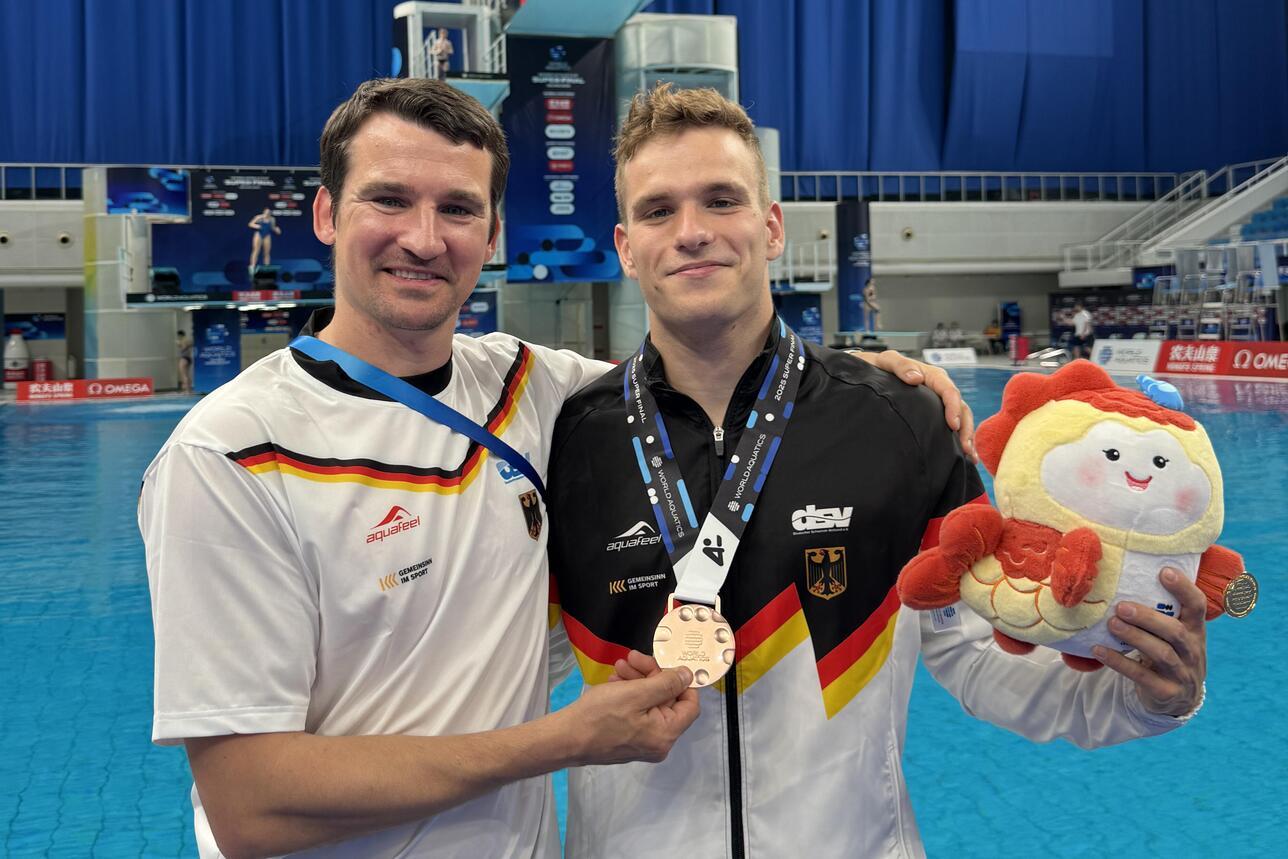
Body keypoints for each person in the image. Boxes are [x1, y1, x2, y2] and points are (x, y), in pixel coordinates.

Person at [138, 77, 966, 859]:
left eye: (458, 208)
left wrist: (877, 383)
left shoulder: (533, 392)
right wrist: (563, 741)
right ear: (324, 212)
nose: (424, 238)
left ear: (493, 236)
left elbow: (696, 375)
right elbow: (249, 803)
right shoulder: (231, 454)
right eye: (388, 199)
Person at [545, 84, 1210, 859]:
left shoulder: (901, 419)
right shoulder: (572, 441)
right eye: (659, 211)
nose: (691, 232)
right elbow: (513, 666)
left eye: (721, 200)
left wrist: (1143, 697)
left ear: (771, 227)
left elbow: (975, 655)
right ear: (626, 246)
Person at [247, 207, 281, 273]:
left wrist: (277, 230)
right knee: (256, 251)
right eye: (266, 212)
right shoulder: (259, 217)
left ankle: (266, 267)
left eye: (269, 213)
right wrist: (257, 226)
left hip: (267, 235)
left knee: (267, 252)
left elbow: (273, 227)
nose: (267, 214)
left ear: (270, 213)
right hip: (259, 234)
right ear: (264, 212)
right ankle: (252, 267)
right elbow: (250, 224)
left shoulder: (272, 219)